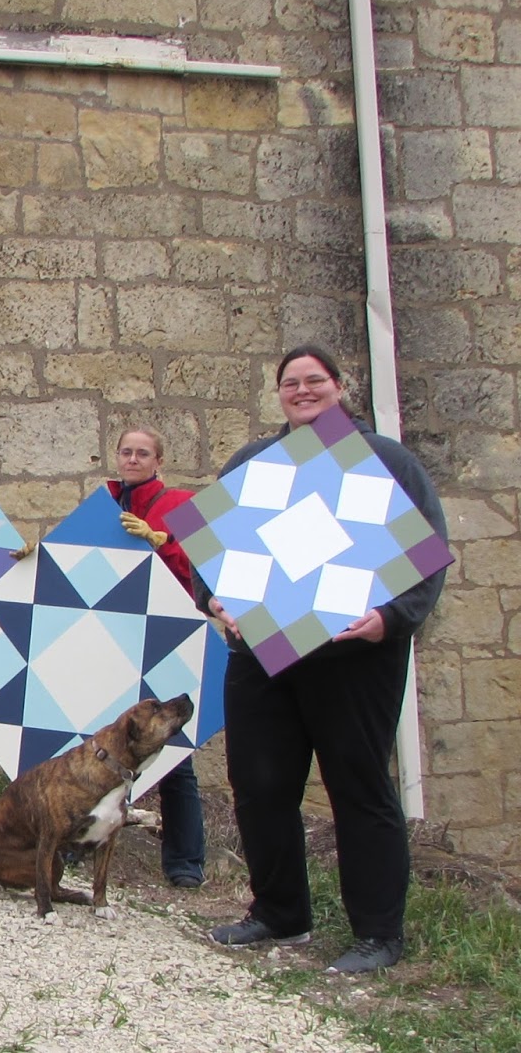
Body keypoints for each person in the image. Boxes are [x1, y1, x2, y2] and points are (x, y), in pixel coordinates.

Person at [202, 345, 447, 975]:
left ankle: (378, 934)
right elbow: (213, 557)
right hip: (262, 655)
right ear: (278, 393)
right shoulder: (254, 462)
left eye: (316, 381)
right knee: (259, 786)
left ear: (339, 387)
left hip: (353, 659)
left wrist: (387, 620)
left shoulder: (385, 461)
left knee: (359, 791)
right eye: (291, 382)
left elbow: (425, 556)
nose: (303, 391)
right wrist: (217, 600)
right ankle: (280, 913)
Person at [106, 424, 207, 889]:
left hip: (165, 635)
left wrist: (162, 541)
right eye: (126, 452)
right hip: (112, 634)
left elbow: (202, 568)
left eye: (142, 453)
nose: (132, 459)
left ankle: (184, 862)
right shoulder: (105, 503)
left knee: (173, 755)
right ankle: (84, 842)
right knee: (103, 747)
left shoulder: (181, 505)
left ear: (158, 461)